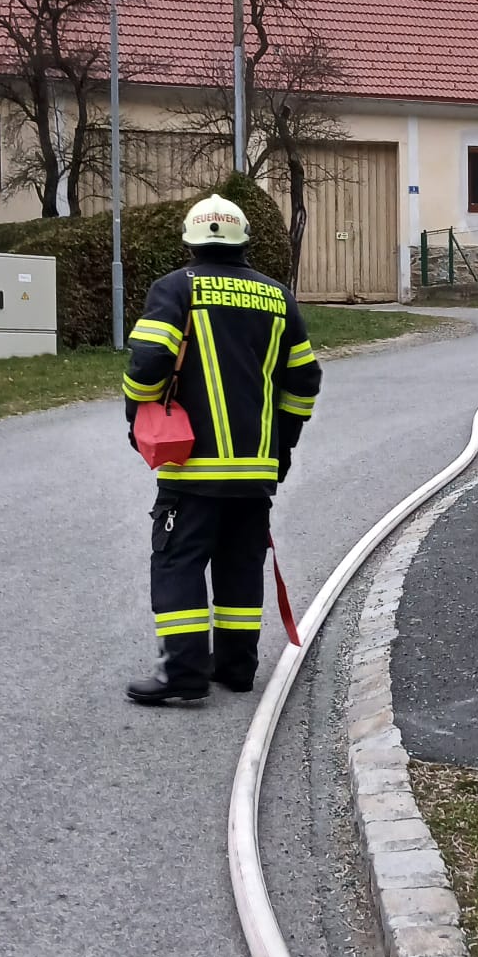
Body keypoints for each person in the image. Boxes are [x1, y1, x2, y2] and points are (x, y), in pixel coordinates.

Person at [121, 194, 322, 706]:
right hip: (256, 468)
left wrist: (137, 415)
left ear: (190, 241)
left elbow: (148, 363)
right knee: (240, 563)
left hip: (191, 466)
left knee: (179, 562)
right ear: (244, 242)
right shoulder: (278, 297)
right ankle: (235, 668)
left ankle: (183, 673)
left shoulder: (175, 288)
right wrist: (282, 446)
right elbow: (304, 381)